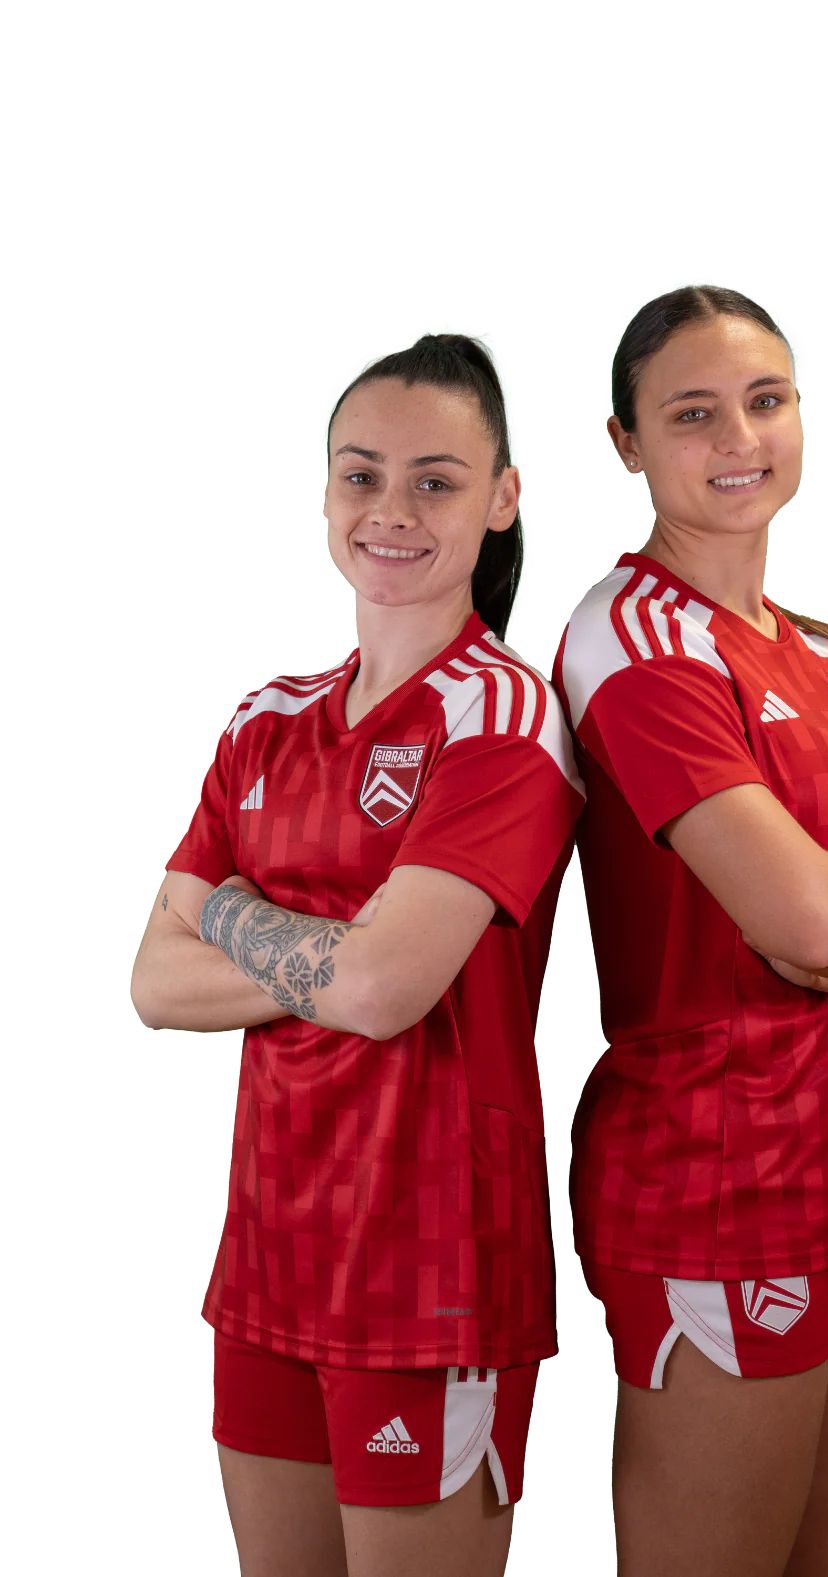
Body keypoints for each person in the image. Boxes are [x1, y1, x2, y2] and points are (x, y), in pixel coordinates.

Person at [553, 286, 828, 1577]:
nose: (738, 437)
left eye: (765, 400)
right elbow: (807, 912)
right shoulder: (629, 637)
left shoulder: (823, 659)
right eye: (690, 413)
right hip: (717, 1189)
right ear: (625, 442)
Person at [132, 334, 583, 1577]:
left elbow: (388, 991)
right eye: (361, 474)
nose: (391, 508)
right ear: (326, 489)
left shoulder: (503, 713)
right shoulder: (265, 717)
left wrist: (229, 910)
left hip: (430, 1267)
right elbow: (151, 982)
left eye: (436, 480)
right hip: (270, 1251)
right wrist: (344, 951)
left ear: (501, 498)